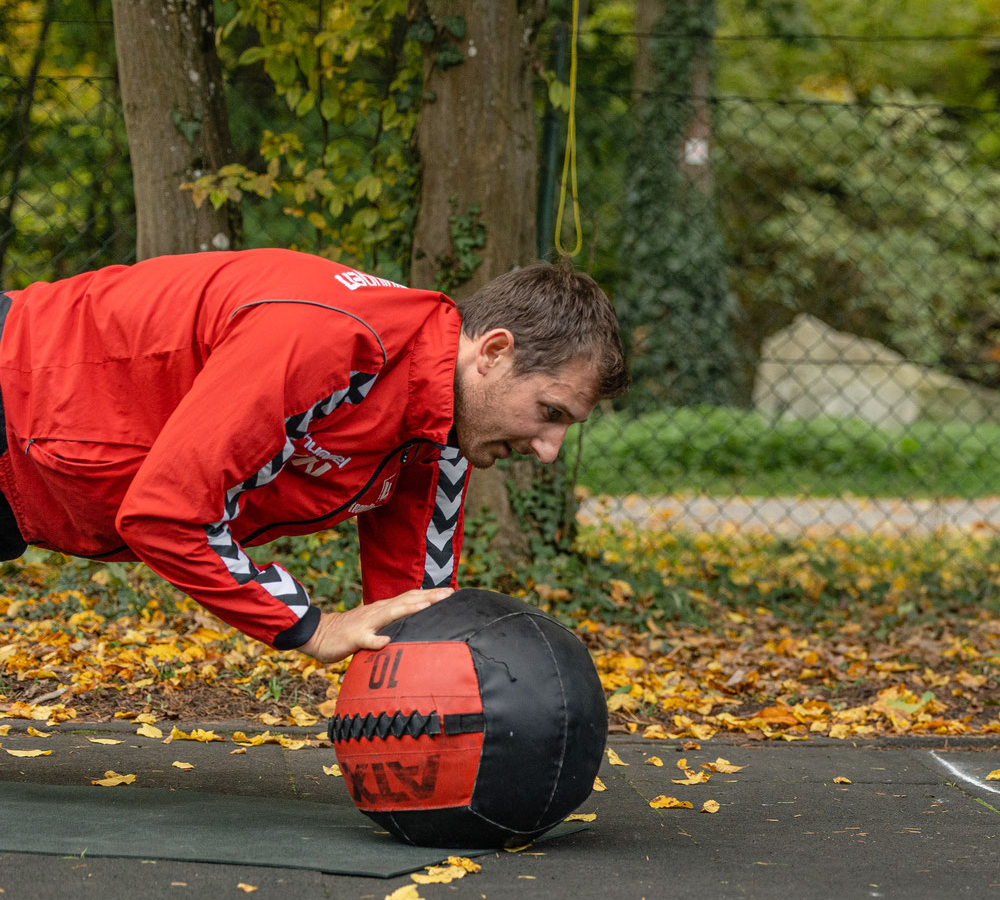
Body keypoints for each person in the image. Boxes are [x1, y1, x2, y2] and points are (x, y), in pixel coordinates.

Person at [0, 249, 627, 663]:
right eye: (550, 413)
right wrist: (313, 626)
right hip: (17, 384)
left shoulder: (441, 428)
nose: (549, 451)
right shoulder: (333, 342)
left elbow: (411, 610)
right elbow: (167, 515)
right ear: (493, 352)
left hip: (37, 475)